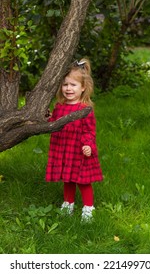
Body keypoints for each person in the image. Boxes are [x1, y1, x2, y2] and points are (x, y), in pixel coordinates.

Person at [46, 58, 103, 221]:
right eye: (65, 84)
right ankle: (68, 204)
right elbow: (53, 124)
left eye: (73, 85)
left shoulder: (85, 109)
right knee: (68, 179)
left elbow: (89, 131)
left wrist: (88, 145)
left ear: (83, 87)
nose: (68, 88)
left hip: (79, 151)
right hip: (64, 150)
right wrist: (47, 117)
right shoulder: (60, 107)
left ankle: (88, 209)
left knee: (83, 181)